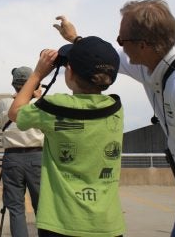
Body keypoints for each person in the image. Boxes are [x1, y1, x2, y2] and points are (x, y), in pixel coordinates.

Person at [54, 0, 175, 237]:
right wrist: (75, 39)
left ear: (142, 45)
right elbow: (109, 59)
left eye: (121, 40)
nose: (119, 47)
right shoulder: (151, 61)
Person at [8, 37, 125, 236]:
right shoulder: (115, 108)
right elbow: (98, 57)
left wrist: (37, 74)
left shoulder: (54, 106)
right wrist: (78, 41)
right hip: (107, 224)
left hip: (60, 222)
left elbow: (15, 112)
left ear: (68, 72)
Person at [0, 66, 44, 237]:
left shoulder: (3, 103)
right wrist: (37, 97)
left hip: (12, 157)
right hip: (37, 156)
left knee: (15, 208)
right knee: (42, 207)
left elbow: (0, 123)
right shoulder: (39, 103)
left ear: (14, 84)